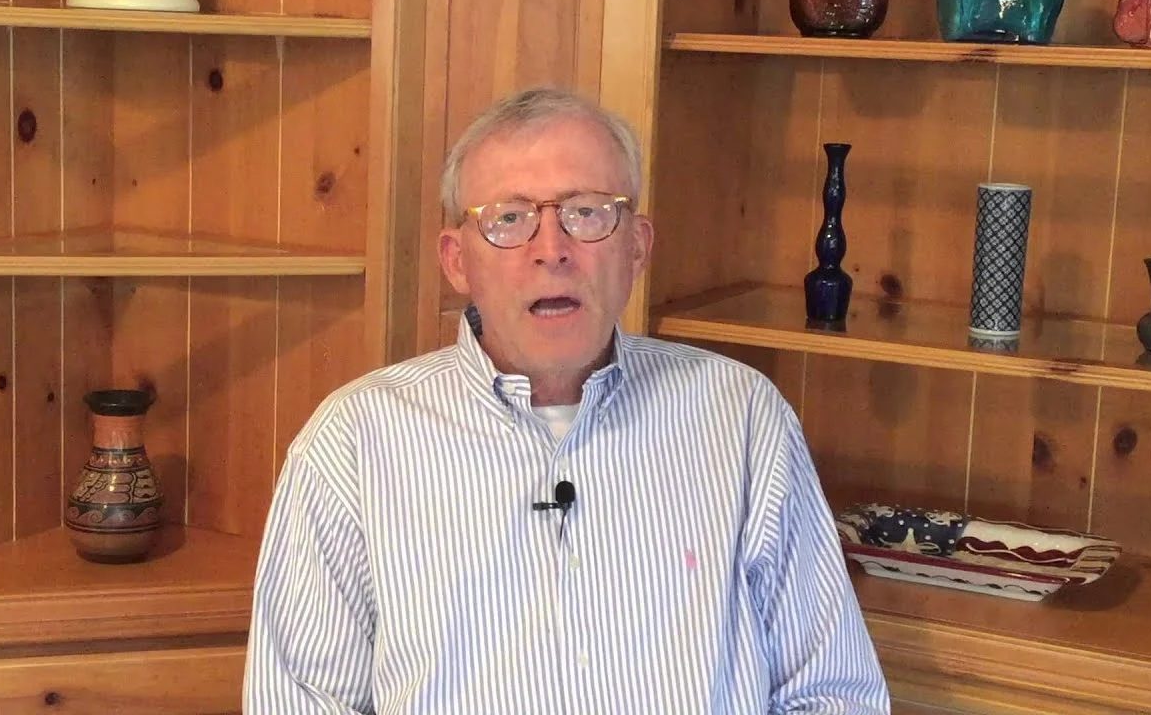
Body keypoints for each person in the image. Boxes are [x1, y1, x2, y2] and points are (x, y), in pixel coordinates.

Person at [243, 86, 891, 713]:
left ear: (636, 247)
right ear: (457, 261)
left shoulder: (741, 417)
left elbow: (833, 693)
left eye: (587, 213)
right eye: (509, 219)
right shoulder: (355, 442)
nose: (551, 251)